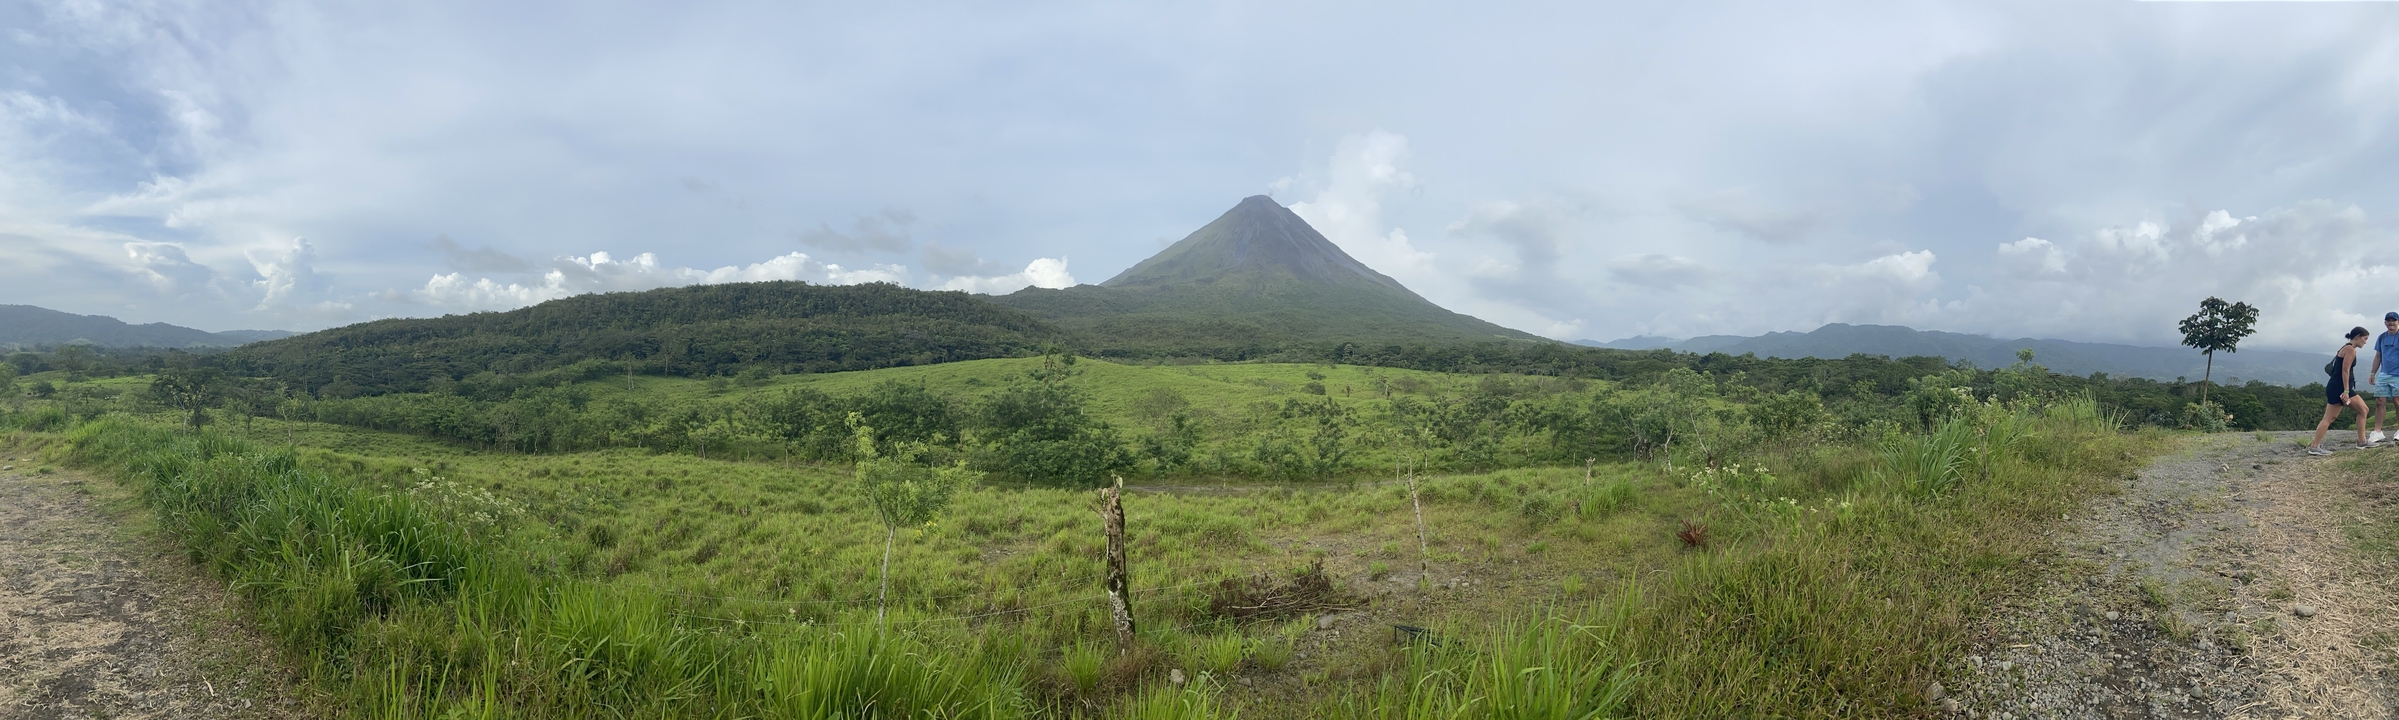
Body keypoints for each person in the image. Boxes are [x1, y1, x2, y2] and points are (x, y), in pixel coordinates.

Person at [2309, 326, 2374, 456]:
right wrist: (2345, 390)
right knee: (2329, 418)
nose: (2365, 342)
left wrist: (2347, 390)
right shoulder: (2350, 349)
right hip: (2340, 387)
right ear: (2357, 337)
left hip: (2343, 387)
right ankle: (2314, 447)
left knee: (2364, 410)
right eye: (2365, 339)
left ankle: (2362, 441)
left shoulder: (2346, 347)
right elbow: (2345, 370)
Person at [2370, 311, 2399, 448]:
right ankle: (2377, 431)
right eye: (2388, 320)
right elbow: (2378, 356)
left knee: (2397, 401)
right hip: (2384, 373)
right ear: (2385, 322)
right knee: (2380, 401)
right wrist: (2372, 373)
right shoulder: (2381, 337)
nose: (2391, 323)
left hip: (2398, 374)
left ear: (2397, 322)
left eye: (2393, 320)